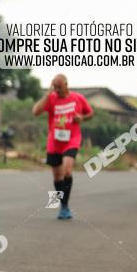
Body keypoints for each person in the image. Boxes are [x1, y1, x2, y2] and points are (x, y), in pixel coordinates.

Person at [32, 74, 93, 219]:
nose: (57, 90)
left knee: (67, 169)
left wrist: (82, 118)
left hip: (72, 138)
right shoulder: (51, 98)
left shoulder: (78, 98)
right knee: (57, 175)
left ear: (66, 84)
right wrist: (47, 94)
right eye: (55, 87)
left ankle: (65, 206)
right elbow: (35, 112)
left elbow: (90, 113)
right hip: (54, 141)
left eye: (59, 87)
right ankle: (63, 205)